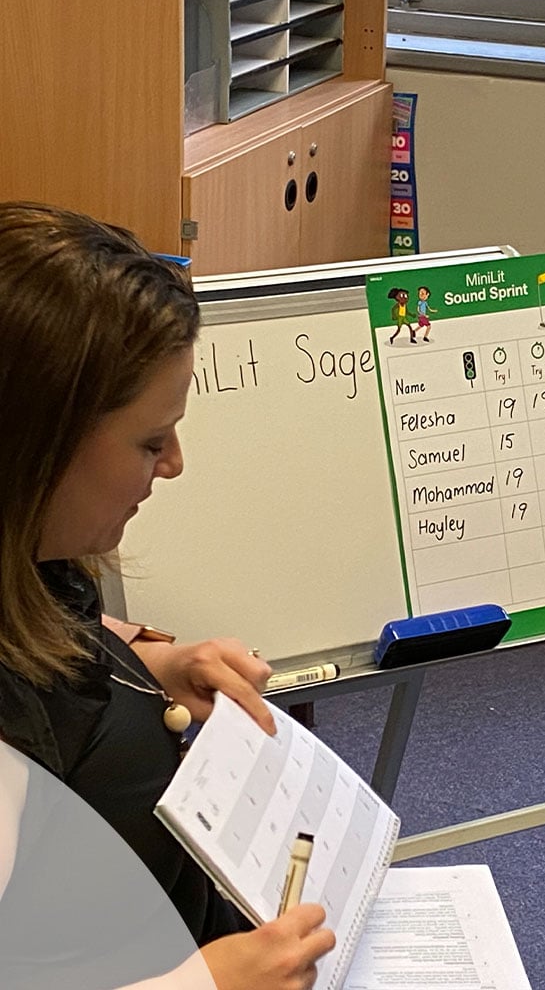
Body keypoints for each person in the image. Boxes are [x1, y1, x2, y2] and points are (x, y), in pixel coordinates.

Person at [0, 203, 336, 988]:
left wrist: (148, 657)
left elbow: (54, 625)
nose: (174, 462)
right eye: (151, 441)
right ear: (36, 441)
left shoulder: (31, 558)